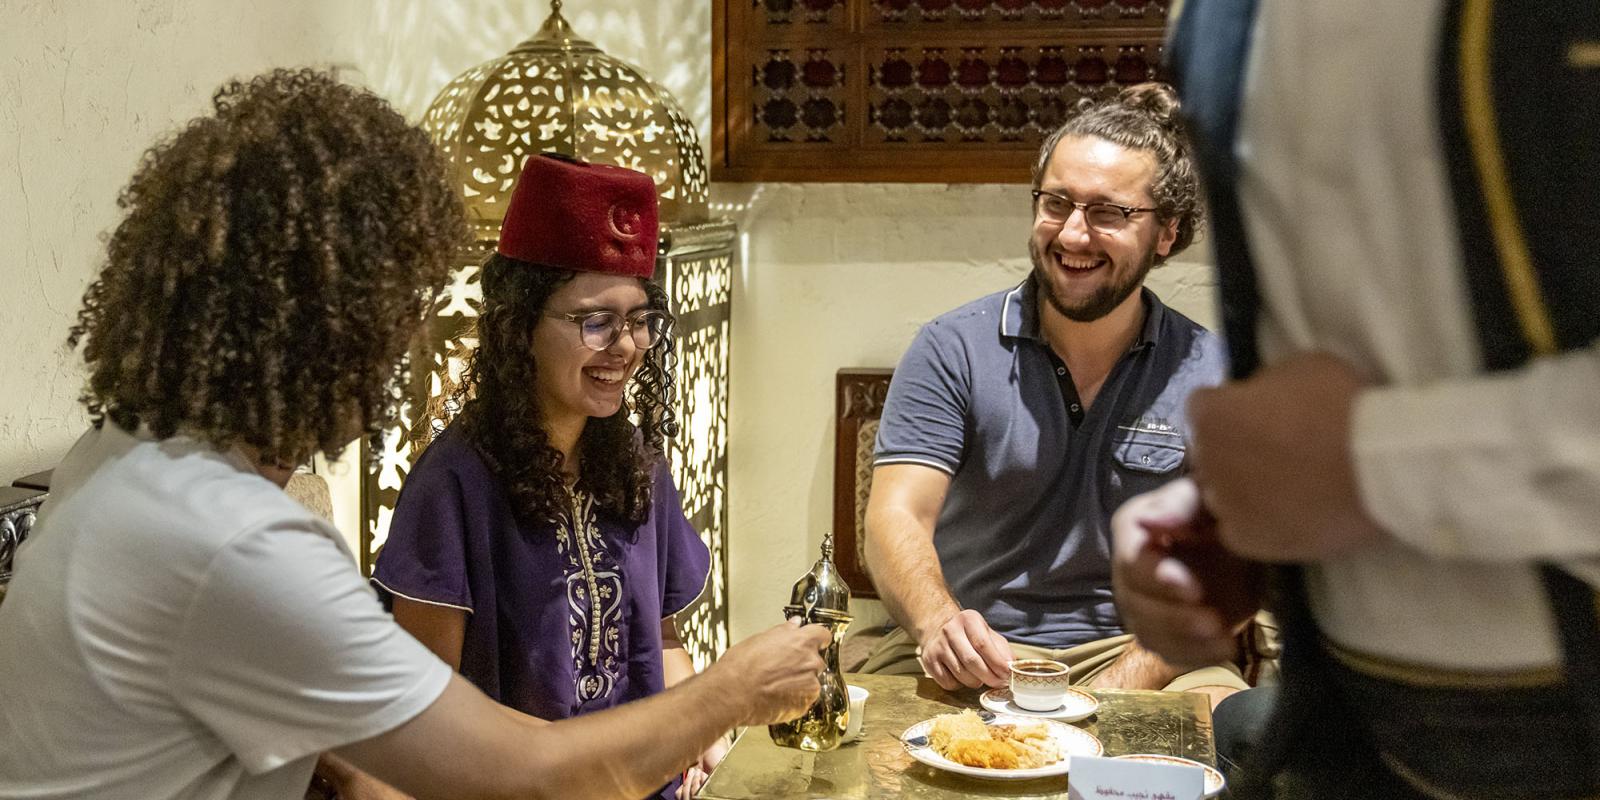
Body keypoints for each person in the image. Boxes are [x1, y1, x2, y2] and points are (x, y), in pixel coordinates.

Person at [0, 68, 829, 800]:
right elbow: (525, 775)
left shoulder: (119, 458)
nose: (406, 339)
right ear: (329, 325)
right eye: (397, 307)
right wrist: (733, 690)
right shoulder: (239, 542)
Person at [1112, 3, 1600, 798]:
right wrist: (1237, 513)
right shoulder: (1216, 18)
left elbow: (1353, 447)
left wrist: (1373, 463)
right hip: (1342, 733)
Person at [858, 83, 1250, 706]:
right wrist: (938, 623)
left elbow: (1230, 568)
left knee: (1242, 739)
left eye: (1107, 213)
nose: (1072, 235)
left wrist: (1114, 692)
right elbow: (894, 515)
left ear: (1167, 233)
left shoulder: (1214, 372)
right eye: (1056, 203)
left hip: (1145, 655)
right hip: (976, 646)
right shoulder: (951, 348)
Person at [369, 153, 719, 800]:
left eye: (639, 320)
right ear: (519, 325)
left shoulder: (637, 465)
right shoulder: (450, 488)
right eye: (595, 321)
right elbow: (420, 715)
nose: (626, 346)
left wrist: (698, 725)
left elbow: (663, 642)